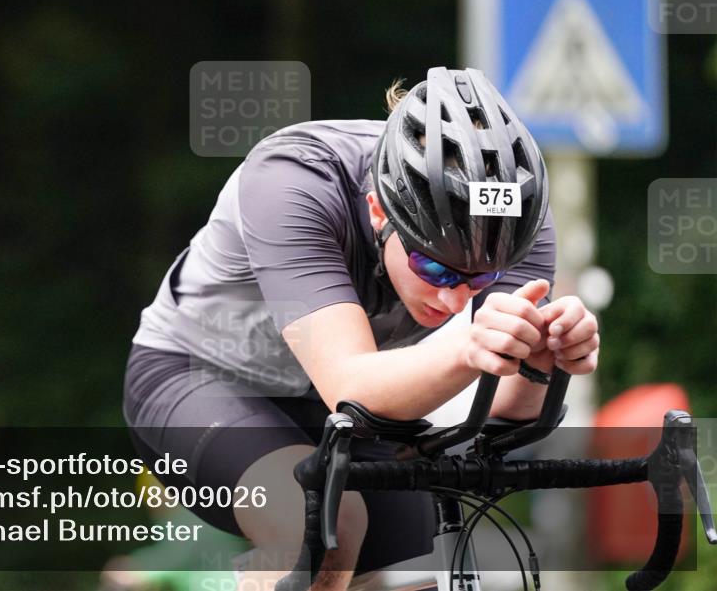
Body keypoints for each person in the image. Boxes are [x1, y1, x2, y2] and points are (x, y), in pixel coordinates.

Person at [123, 67, 600, 591]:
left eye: (482, 278)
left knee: (414, 569)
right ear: (378, 211)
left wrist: (542, 363)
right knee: (324, 529)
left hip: (354, 413)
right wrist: (470, 342)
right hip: (200, 378)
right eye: (435, 268)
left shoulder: (516, 222)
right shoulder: (292, 180)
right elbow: (350, 387)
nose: (454, 297)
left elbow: (502, 414)